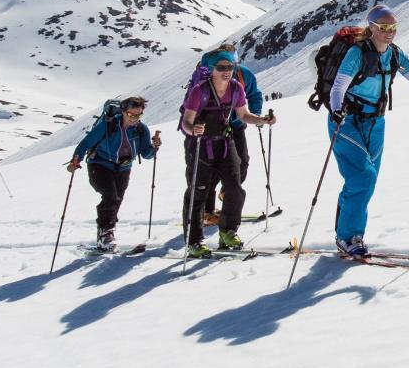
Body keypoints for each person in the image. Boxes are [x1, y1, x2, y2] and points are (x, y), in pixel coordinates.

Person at [324, 6, 409, 258]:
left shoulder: (395, 54)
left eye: (393, 27)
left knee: (364, 180)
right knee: (363, 177)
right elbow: (338, 86)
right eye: (384, 27)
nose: (389, 32)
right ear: (371, 27)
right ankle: (348, 236)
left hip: (376, 123)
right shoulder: (356, 53)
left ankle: (348, 232)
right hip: (347, 121)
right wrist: (337, 110)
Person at [181, 50, 277, 259]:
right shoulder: (200, 90)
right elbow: (186, 121)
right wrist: (193, 129)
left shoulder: (236, 88)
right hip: (200, 145)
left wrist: (262, 120)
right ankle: (194, 241)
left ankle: (228, 231)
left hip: (225, 142)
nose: (226, 72)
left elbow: (243, 115)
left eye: (230, 67)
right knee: (197, 192)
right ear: (212, 69)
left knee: (235, 188)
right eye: (221, 68)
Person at [67, 97, 161, 250]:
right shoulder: (107, 125)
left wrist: (154, 147)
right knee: (111, 196)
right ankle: (106, 234)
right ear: (123, 112)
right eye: (132, 115)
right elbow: (86, 143)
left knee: (117, 200)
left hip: (123, 168)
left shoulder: (141, 129)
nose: (135, 119)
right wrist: (76, 159)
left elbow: (146, 154)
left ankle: (105, 233)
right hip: (99, 164)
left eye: (139, 115)